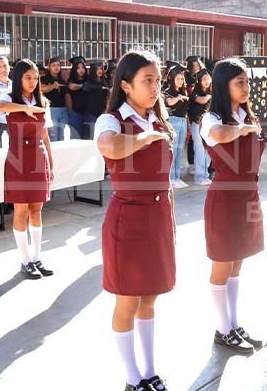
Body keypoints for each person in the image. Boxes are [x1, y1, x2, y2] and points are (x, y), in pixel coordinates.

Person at [94, 50, 175, 391]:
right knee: (127, 299)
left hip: (157, 219)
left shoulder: (158, 119)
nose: (155, 86)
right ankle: (132, 378)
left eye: (158, 80)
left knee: (150, 297)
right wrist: (144, 137)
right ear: (126, 85)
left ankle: (150, 370)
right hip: (128, 219)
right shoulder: (112, 119)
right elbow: (108, 147)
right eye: (147, 80)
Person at [200, 58, 266, 354]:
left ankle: (234, 323)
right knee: (223, 263)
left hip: (248, 195)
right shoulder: (212, 119)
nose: (246, 88)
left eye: (247, 82)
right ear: (223, 86)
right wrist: (245, 129)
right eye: (239, 82)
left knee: (238, 261)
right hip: (225, 198)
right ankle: (222, 328)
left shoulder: (245, 116)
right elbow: (219, 136)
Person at [0, 59, 54, 280]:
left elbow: (45, 136)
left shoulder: (43, 102)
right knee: (21, 210)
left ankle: (37, 257)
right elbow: (1, 108)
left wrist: (51, 163)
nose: (32, 82)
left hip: (38, 158)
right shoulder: (9, 99)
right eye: (28, 77)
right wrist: (25, 108)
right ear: (19, 78)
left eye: (36, 77)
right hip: (18, 157)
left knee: (36, 210)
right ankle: (25, 260)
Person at [162, 64, 190, 188]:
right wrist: (179, 98)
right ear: (172, 79)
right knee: (172, 151)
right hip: (173, 121)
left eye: (182, 79)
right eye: (178, 78)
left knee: (179, 151)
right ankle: (171, 178)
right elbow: (169, 102)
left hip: (183, 121)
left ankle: (177, 177)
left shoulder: (183, 91)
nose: (180, 81)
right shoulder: (168, 92)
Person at [188, 69, 213, 185]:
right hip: (197, 124)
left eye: (208, 78)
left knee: (207, 150)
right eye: (204, 79)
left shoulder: (211, 92)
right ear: (199, 81)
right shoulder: (195, 92)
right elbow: (201, 100)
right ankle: (199, 176)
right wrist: (210, 96)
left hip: (207, 125)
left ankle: (206, 174)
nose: (207, 81)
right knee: (199, 150)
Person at [82, 60, 111, 140]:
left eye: (101, 69)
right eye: (97, 69)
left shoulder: (104, 81)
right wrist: (100, 88)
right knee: (91, 137)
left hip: (102, 113)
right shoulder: (89, 80)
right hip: (92, 114)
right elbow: (86, 88)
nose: (100, 71)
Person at [42, 57, 68, 142]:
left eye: (58, 65)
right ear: (49, 67)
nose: (56, 67)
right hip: (52, 110)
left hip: (63, 109)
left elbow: (66, 96)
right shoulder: (44, 79)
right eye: (53, 65)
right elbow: (43, 89)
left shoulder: (62, 80)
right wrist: (53, 86)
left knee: (62, 135)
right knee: (53, 135)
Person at [66, 56, 88, 139]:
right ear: (75, 69)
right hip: (75, 113)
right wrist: (84, 86)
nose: (81, 70)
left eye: (83, 67)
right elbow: (71, 87)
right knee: (76, 138)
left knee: (87, 138)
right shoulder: (71, 80)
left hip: (87, 113)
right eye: (78, 68)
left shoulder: (88, 80)